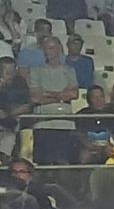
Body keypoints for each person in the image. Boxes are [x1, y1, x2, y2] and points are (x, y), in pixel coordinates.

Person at [29, 37, 78, 165]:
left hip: (64, 121)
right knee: (43, 161)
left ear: (59, 50)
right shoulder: (36, 71)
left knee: (63, 160)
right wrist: (60, 96)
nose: (47, 51)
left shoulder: (69, 70)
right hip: (43, 121)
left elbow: (74, 94)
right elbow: (35, 97)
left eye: (51, 48)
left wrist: (47, 94)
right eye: (45, 48)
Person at [75, 84, 114, 164]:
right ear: (88, 100)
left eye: (101, 96)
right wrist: (101, 149)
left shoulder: (112, 114)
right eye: (94, 97)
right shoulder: (82, 115)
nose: (98, 100)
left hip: (108, 148)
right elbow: (82, 140)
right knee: (84, 156)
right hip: (90, 149)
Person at [0, 57, 31, 160]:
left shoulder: (20, 83)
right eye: (7, 71)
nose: (10, 74)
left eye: (12, 70)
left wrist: (11, 112)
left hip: (11, 126)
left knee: (9, 140)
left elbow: (26, 105)